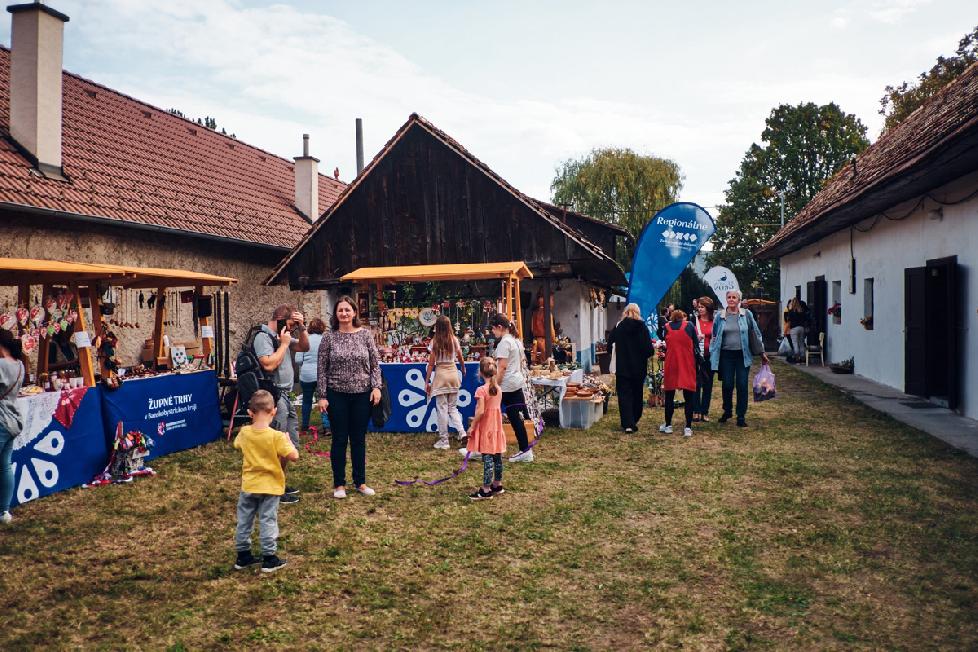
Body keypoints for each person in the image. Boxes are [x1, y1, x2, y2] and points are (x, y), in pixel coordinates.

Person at [317, 296, 382, 498]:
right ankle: (339, 484)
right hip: (336, 394)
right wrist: (322, 395)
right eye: (340, 310)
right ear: (336, 315)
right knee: (339, 439)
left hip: (362, 394)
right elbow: (321, 367)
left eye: (347, 310)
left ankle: (360, 482)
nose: (344, 313)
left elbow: (374, 364)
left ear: (354, 312)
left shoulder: (365, 335)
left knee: (358, 439)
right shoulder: (329, 337)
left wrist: (376, 387)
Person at [232, 390, 298, 573]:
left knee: (244, 521)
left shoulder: (244, 432)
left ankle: (243, 555)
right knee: (268, 520)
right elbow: (294, 456)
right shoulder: (277, 437)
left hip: (249, 485)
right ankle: (269, 557)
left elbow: (237, 445)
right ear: (274, 411)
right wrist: (289, 441)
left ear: (250, 413)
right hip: (270, 487)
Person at [254, 304, 309, 504]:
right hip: (272, 396)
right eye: (290, 324)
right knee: (275, 445)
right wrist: (284, 344)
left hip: (286, 396)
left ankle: (279, 482)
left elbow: (304, 347)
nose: (291, 330)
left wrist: (302, 328)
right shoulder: (263, 337)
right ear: (278, 319)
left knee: (288, 444)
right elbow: (268, 364)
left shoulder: (282, 335)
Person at [710, 290, 769, 427]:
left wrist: (762, 352)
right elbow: (714, 335)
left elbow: (756, 334)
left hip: (743, 355)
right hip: (726, 356)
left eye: (734, 297)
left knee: (742, 385)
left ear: (739, 300)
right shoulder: (720, 316)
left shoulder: (746, 314)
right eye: (729, 297)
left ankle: (741, 416)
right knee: (728, 384)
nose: (731, 300)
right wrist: (712, 352)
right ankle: (727, 411)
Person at [489, 314, 533, 463]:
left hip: (507, 385)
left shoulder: (504, 343)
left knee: (494, 414)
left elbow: (502, 367)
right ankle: (525, 449)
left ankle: (524, 450)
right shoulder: (515, 341)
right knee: (516, 418)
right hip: (516, 382)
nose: (493, 333)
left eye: (493, 329)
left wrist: (494, 385)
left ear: (500, 328)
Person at [606, 303, 654, 433]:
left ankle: (628, 423)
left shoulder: (619, 327)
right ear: (638, 313)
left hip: (622, 368)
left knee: (624, 395)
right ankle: (634, 419)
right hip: (639, 369)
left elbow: (609, 346)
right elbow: (649, 350)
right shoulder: (642, 328)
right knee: (637, 394)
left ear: (625, 312)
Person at [466, 357, 507, 500]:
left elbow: (481, 411)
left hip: (487, 427)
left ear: (480, 373)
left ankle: (485, 490)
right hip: (496, 427)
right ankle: (497, 484)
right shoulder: (498, 389)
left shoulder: (481, 390)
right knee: (497, 457)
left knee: (488, 458)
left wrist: (472, 426)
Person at [425, 315, 467, 450]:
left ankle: (444, 440)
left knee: (442, 409)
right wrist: (463, 367)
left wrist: (427, 381)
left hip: (441, 376)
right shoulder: (454, 340)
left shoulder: (435, 342)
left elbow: (431, 364)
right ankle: (462, 433)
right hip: (453, 374)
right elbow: (460, 356)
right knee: (452, 408)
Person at [659, 309, 700, 438]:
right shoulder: (689, 326)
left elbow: (663, 341)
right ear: (683, 317)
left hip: (671, 363)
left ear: (671, 317)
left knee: (669, 396)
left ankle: (668, 425)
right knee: (689, 397)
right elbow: (696, 345)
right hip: (687, 363)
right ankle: (688, 427)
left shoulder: (666, 327)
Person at [0, 330, 25, 525]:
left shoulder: (1, 365)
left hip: (1, 418)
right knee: (5, 466)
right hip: (12, 418)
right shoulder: (19, 365)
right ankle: (4, 511)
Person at [295, 317, 326, 435]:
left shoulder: (304, 339)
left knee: (307, 401)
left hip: (306, 375)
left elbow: (298, 360)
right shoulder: (325, 340)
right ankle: (327, 426)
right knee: (323, 399)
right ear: (322, 328)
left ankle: (305, 426)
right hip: (322, 375)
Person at [692, 297, 716, 422]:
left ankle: (704, 411)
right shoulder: (694, 321)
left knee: (708, 383)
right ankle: (696, 410)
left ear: (708, 308)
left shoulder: (715, 321)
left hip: (710, 356)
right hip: (697, 356)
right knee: (696, 383)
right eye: (699, 307)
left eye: (702, 307)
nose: (700, 309)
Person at [531, 292, 556, 364]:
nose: (553, 302)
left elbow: (532, 329)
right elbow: (551, 331)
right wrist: (554, 340)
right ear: (547, 301)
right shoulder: (547, 314)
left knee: (536, 364)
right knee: (546, 365)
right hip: (544, 343)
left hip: (535, 342)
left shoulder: (534, 313)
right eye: (552, 300)